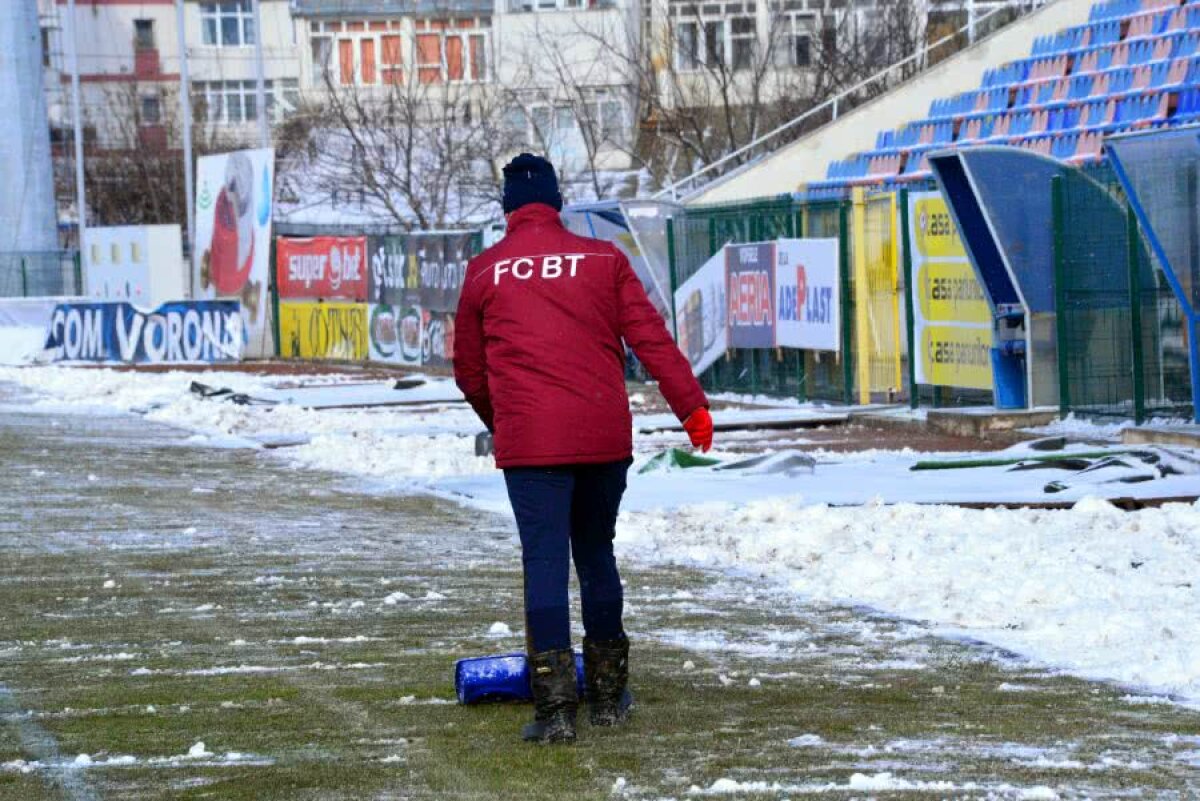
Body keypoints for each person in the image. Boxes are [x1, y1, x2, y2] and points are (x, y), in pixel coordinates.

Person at [454, 153, 714, 744]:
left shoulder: (485, 270)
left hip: (531, 446)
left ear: (507, 209)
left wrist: (506, 420)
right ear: (556, 201)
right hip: (602, 437)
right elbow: (651, 339)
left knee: (544, 563)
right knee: (596, 554)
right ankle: (607, 696)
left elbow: (469, 371)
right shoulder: (603, 259)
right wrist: (691, 408)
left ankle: (554, 714)